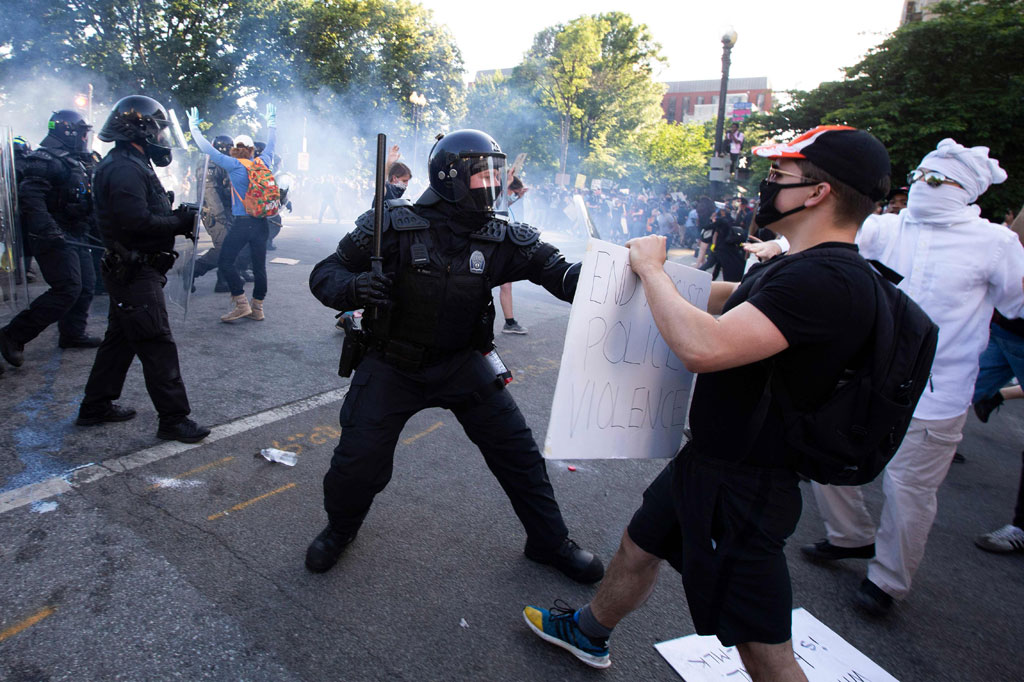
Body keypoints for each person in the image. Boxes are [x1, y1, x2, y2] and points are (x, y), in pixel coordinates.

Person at [523, 125, 891, 679]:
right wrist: (636, 280)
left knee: (762, 646)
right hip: (713, 462)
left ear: (818, 193)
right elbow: (732, 298)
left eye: (779, 176)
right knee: (640, 543)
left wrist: (650, 269)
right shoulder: (800, 264)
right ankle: (588, 632)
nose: (766, 185)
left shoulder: (825, 278)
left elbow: (703, 345)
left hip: (746, 485)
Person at [305, 129, 602, 585]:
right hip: (393, 363)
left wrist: (612, 273)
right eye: (483, 174)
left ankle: (549, 540)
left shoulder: (501, 234)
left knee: (518, 454)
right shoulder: (389, 224)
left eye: (495, 173)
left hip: (464, 362)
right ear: (451, 176)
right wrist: (353, 288)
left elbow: (559, 274)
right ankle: (340, 529)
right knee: (357, 461)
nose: (494, 183)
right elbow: (326, 270)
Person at [746, 139, 1024, 615]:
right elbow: (821, 237)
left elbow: (1018, 304)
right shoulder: (886, 227)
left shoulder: (995, 244)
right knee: (823, 455)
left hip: (939, 389)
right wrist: (776, 245)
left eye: (937, 180)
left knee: (909, 491)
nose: (922, 186)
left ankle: (888, 580)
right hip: (865, 378)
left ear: (967, 190)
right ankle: (851, 535)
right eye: (918, 176)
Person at [75, 95, 210, 444]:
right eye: (159, 130)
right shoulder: (123, 167)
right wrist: (178, 221)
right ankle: (174, 419)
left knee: (119, 342)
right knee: (156, 343)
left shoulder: (132, 162)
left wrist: (173, 216)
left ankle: (95, 406)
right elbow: (135, 222)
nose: (162, 138)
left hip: (132, 270)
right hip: (134, 272)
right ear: (140, 130)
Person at [0, 110, 100, 371]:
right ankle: (12, 335)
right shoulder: (45, 159)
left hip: (75, 232)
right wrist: (49, 231)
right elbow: (31, 198)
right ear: (67, 131)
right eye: (81, 132)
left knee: (86, 285)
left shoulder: (73, 160)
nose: (84, 137)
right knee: (67, 288)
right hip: (53, 235)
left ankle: (72, 333)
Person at [187, 104, 278, 323]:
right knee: (259, 267)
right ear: (252, 149)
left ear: (235, 149)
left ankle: (241, 304)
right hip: (262, 223)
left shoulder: (234, 165)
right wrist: (272, 125)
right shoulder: (263, 161)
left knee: (226, 261)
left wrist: (194, 129)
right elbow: (273, 144)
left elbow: (207, 150)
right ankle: (258, 309)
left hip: (242, 223)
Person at [500, 175, 529, 334]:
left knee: (506, 284)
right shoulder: (495, 195)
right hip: (492, 246)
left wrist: (518, 197)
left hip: (502, 245)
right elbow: (498, 203)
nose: (515, 195)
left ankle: (509, 322)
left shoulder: (504, 199)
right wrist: (508, 184)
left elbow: (504, 204)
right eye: (514, 192)